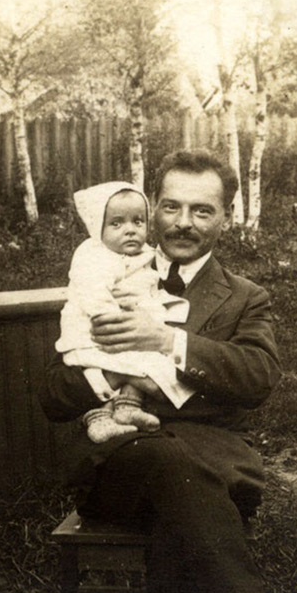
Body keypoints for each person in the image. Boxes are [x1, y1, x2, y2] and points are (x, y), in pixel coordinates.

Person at [40, 149, 297, 593]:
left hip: (201, 469)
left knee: (179, 484)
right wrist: (103, 373)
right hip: (120, 469)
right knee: (169, 468)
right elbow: (53, 392)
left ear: (225, 218)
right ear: (152, 208)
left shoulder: (245, 298)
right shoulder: (102, 274)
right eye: (171, 206)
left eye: (202, 210)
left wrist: (168, 340)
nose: (184, 222)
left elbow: (258, 376)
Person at [55, 180, 194, 443]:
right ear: (99, 227)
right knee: (99, 366)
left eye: (138, 222)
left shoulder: (146, 253)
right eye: (116, 224)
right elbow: (91, 291)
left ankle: (128, 408)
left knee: (142, 360)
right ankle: (99, 419)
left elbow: (155, 279)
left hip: (129, 325)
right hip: (96, 327)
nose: (130, 231)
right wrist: (110, 316)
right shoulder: (92, 255)